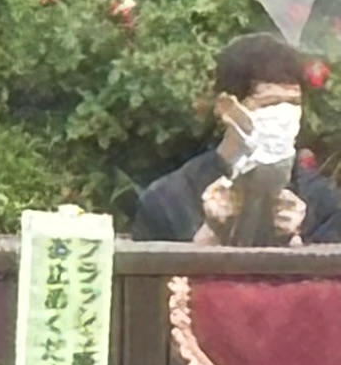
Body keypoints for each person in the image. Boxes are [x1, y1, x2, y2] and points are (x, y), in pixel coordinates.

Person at [131, 31, 341, 245]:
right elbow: (156, 275)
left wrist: (295, 242)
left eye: (293, 103)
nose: (284, 117)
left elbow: (327, 275)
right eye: (269, 104)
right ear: (227, 108)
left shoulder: (321, 201)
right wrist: (211, 233)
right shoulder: (169, 201)